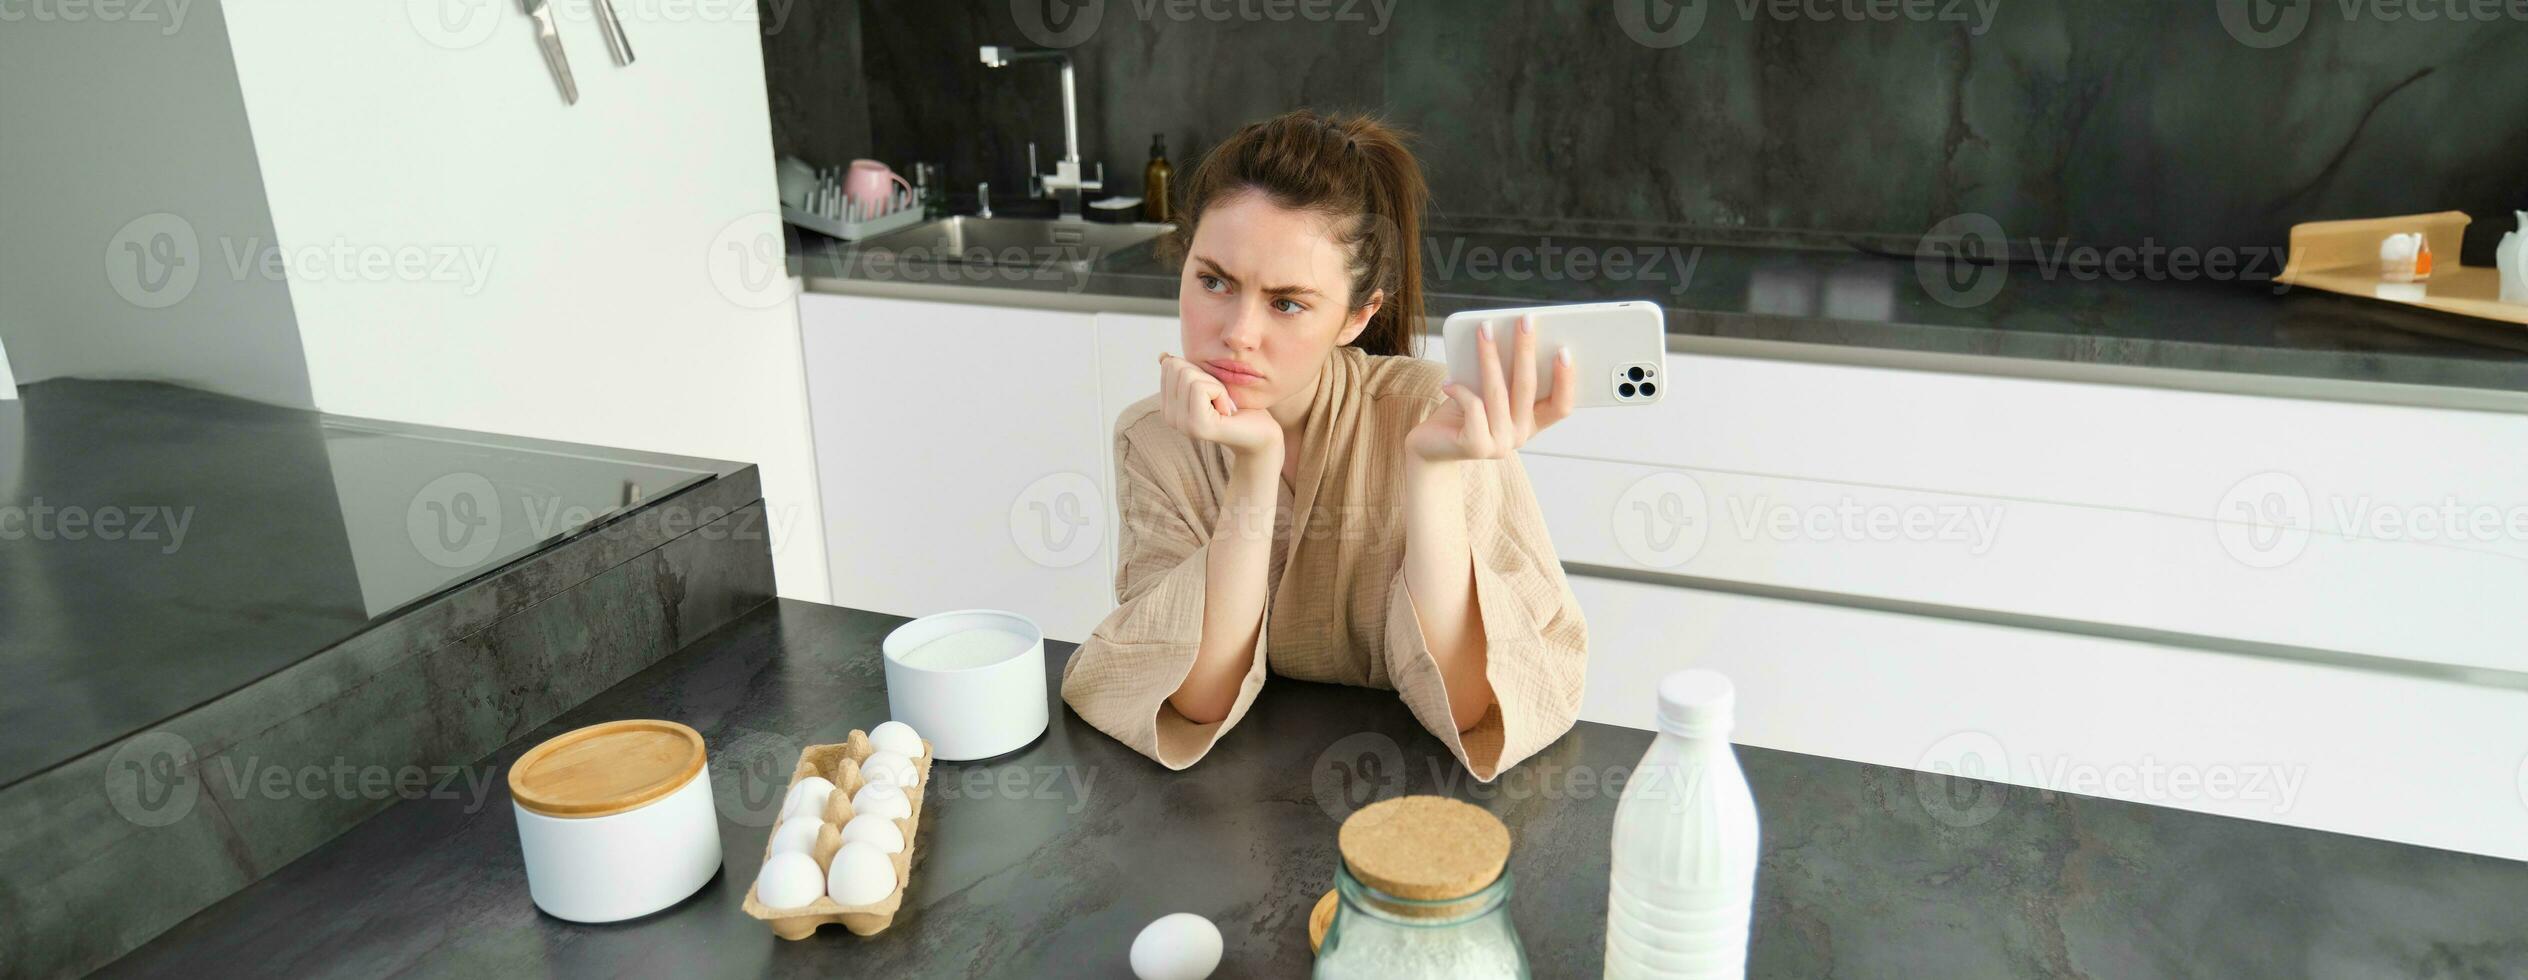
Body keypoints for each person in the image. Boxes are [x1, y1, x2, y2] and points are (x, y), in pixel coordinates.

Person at [1060, 109, 1588, 781]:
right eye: (1214, 281)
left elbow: (1471, 702)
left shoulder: (1435, 416)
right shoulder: (1156, 438)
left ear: (1359, 315)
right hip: (1240, 802)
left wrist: (1430, 475)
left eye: (1287, 303)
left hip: (1414, 793)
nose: (1237, 333)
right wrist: (1255, 468)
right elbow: (1194, 700)